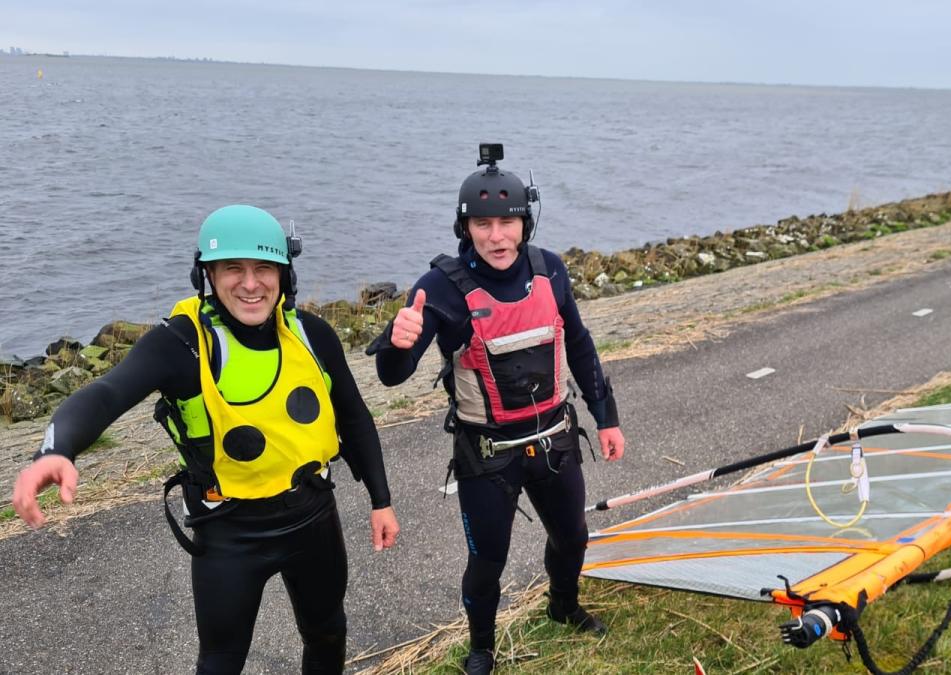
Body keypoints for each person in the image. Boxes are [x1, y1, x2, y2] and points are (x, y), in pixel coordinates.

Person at [10, 205, 400, 674]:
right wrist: (54, 450)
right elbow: (107, 392)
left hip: (313, 516)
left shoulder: (310, 334)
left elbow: (354, 418)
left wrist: (381, 500)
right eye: (233, 268)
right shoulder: (182, 344)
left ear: (284, 274)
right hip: (229, 532)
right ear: (207, 275)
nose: (251, 284)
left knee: (327, 633)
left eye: (264, 268)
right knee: (220, 662)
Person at [370, 144, 625, 674]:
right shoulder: (440, 288)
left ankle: (563, 606)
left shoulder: (551, 270)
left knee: (573, 538)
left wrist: (607, 417)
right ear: (464, 228)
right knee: (488, 560)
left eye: (507, 221)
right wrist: (397, 341)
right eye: (482, 224)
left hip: (554, 439)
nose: (496, 236)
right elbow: (394, 375)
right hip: (487, 455)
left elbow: (579, 345)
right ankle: (482, 647)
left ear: (524, 222)